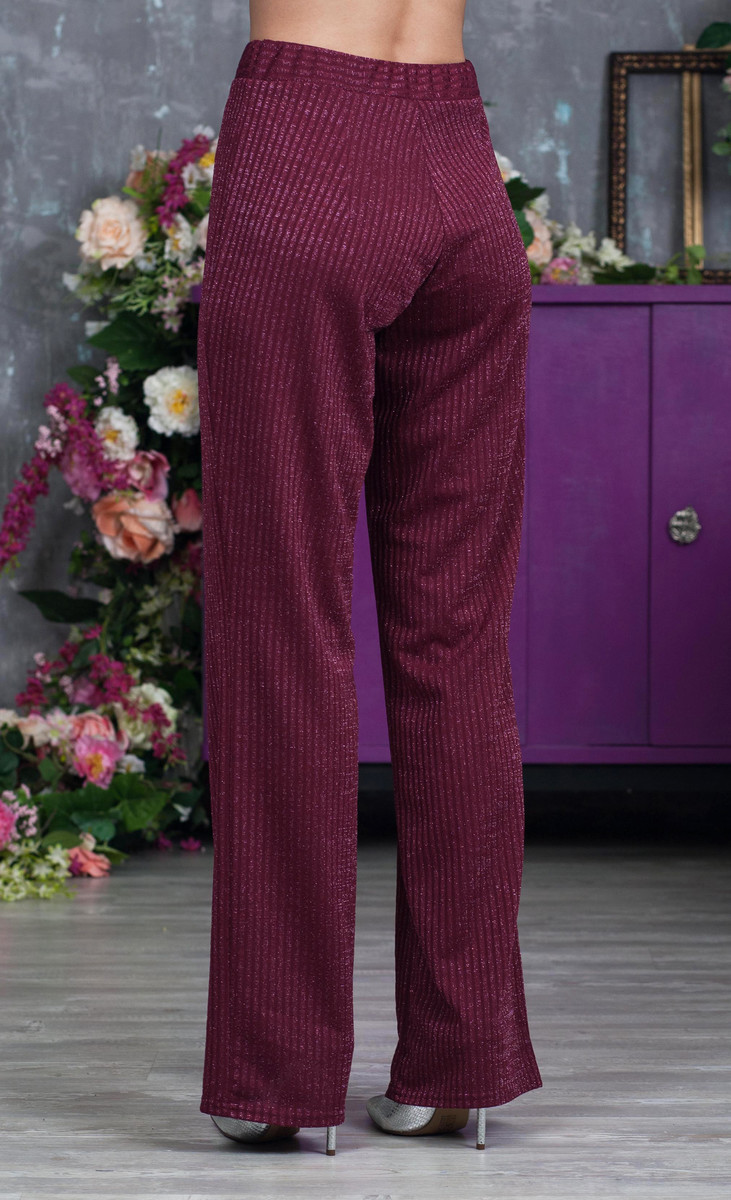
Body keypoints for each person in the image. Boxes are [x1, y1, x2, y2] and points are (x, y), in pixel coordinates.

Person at [197, 0, 543, 1156]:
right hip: (461, 162)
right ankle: (460, 1065)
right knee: (456, 639)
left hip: (306, 135)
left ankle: (277, 1077)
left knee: (281, 623)